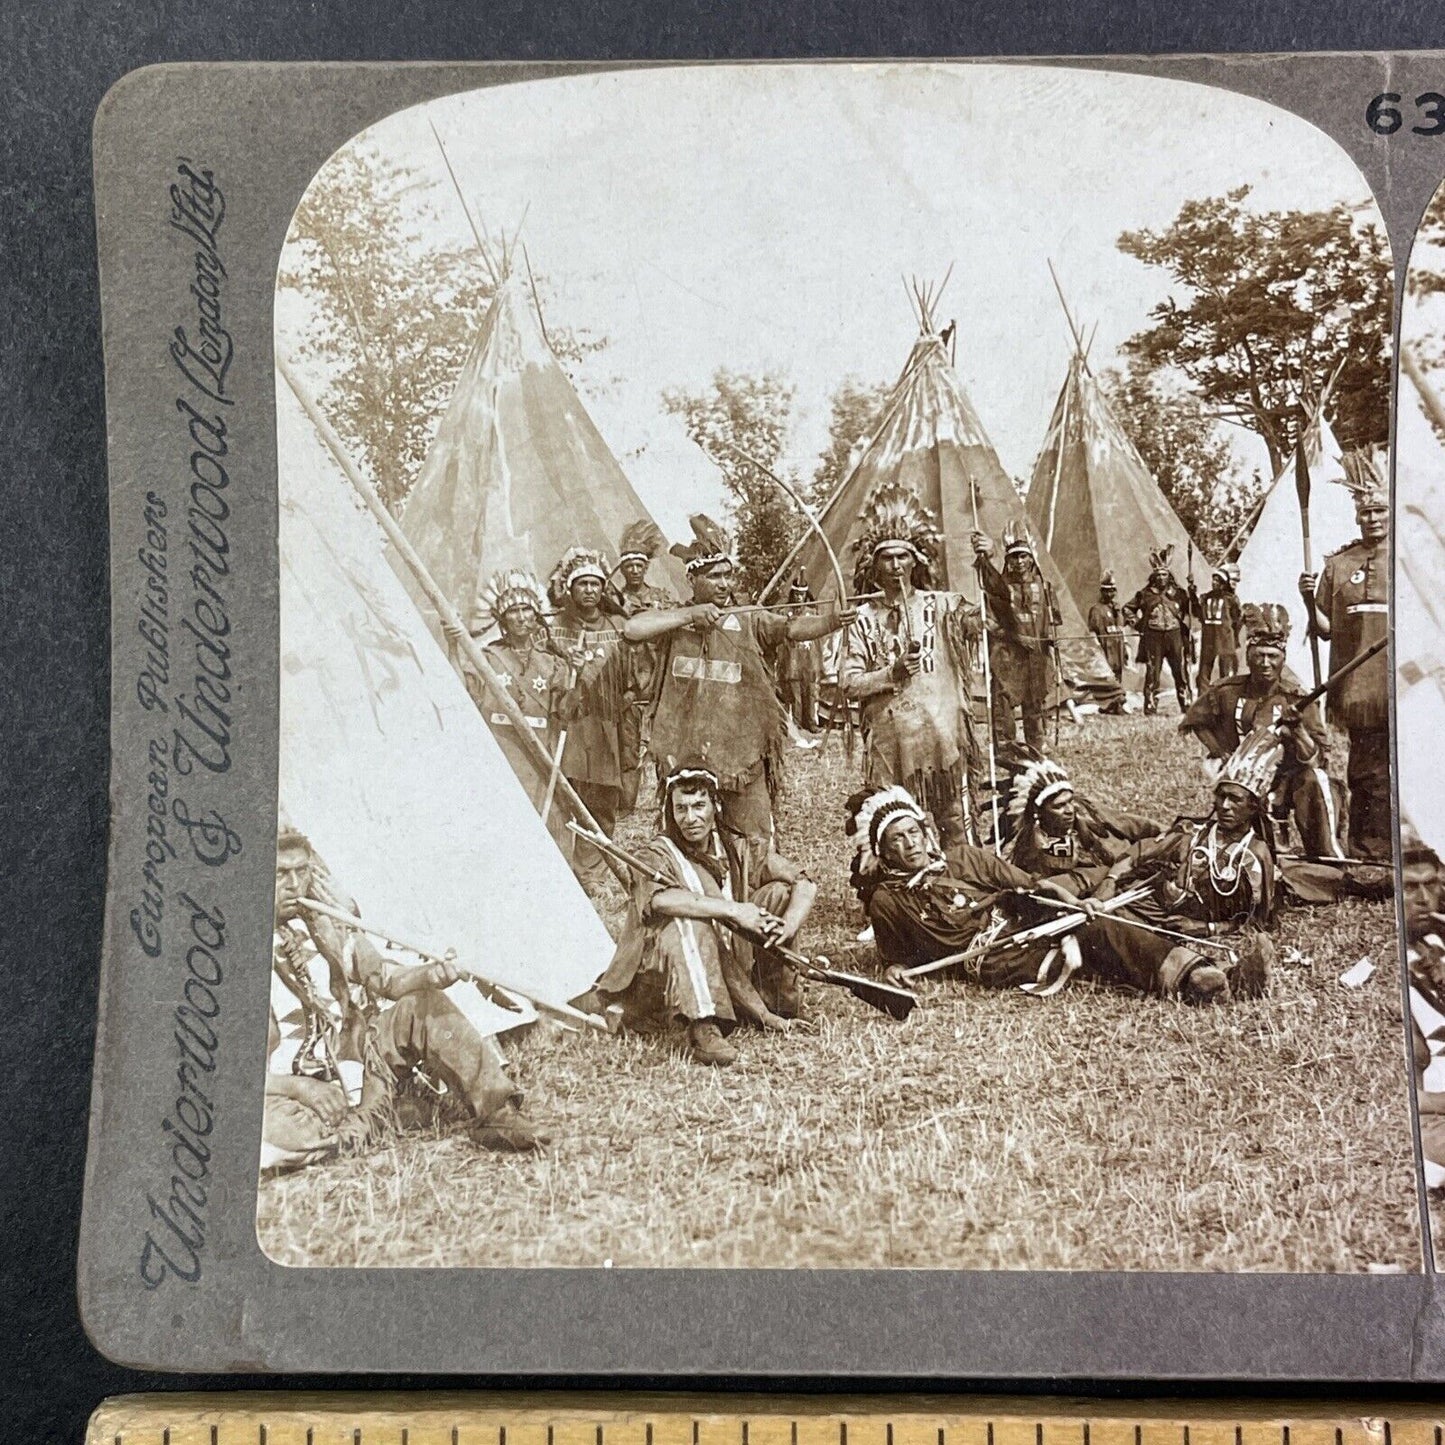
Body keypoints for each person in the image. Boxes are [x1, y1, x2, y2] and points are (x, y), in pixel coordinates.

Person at [267, 827, 548, 1161]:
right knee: (271, 1131)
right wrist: (299, 1087)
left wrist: (430, 974)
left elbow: (384, 978)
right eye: (282, 873)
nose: (295, 885)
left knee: (424, 1005)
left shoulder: (322, 925)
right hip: (283, 1087)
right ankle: (376, 1117)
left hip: (352, 1063)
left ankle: (497, 1115)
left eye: (302, 872)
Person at [847, 784, 1228, 1003]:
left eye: (914, 832)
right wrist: (894, 970)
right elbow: (897, 956)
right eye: (897, 838)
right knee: (1085, 952)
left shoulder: (963, 858)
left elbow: (1032, 886)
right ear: (882, 851)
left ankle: (1198, 971)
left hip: (1021, 918)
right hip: (993, 957)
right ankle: (1191, 984)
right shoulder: (887, 899)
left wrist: (1076, 904)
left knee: (1096, 925)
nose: (910, 844)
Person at [624, 515, 853, 846]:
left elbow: (791, 627)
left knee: (752, 841)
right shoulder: (674, 620)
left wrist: (831, 621)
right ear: (694, 580)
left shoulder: (749, 619)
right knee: (689, 843)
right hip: (685, 759)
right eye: (714, 576)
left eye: (727, 575)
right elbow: (632, 629)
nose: (723, 584)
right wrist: (690, 615)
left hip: (739, 754)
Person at [589, 759, 818, 1065]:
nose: (690, 818)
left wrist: (787, 926)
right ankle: (703, 1027)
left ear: (716, 807)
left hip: (719, 963)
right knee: (686, 918)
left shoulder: (736, 848)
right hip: (658, 981)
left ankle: (772, 1001)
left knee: (778, 893)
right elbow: (660, 901)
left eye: (699, 806)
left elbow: (804, 882)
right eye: (681, 808)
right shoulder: (658, 853)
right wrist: (734, 910)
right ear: (669, 812)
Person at [840, 482, 984, 846]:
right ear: (873, 564)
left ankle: (962, 888)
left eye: (902, 557)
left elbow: (990, 621)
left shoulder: (945, 605)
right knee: (899, 831)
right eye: (886, 558)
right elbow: (848, 682)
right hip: (892, 746)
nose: (895, 566)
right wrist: (893, 674)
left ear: (916, 561)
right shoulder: (861, 618)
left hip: (943, 740)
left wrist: (991, 566)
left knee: (955, 826)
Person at [1178, 602, 1344, 859]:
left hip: (1287, 782)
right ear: (1248, 656)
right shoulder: (1227, 691)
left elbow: (1319, 757)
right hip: (1241, 783)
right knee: (1244, 854)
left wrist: (1298, 730)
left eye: (1273, 656)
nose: (1266, 663)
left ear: (1283, 660)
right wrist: (1220, 751)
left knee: (1316, 780)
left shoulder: (1297, 697)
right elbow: (1195, 721)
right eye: (1259, 655)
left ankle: (1327, 857)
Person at [1298, 473, 1391, 859]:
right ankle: (1369, 848)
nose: (1372, 518)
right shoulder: (1338, 564)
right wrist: (1307, 600)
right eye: (1365, 511)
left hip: (1403, 684)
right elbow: (1325, 631)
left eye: (1379, 510)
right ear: (1356, 517)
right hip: (1360, 690)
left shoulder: (1408, 555)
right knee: (1366, 773)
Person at [444, 570, 572, 846]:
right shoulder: (488, 657)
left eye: (526, 609)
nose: (521, 617)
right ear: (503, 618)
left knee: (545, 818)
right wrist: (453, 647)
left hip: (539, 754)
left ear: (536, 614)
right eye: (513, 611)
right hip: (501, 751)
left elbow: (567, 711)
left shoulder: (553, 663)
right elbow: (460, 692)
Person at [548, 546, 629, 893]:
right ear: (570, 588)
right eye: (582, 584)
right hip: (571, 724)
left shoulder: (618, 626)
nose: (590, 591)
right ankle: (563, 867)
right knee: (569, 796)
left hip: (608, 724)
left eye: (596, 584)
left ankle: (593, 872)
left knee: (602, 800)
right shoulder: (554, 629)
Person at [970, 523, 1060, 751]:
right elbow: (992, 623)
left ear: (1031, 559)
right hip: (1008, 657)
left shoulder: (1045, 588)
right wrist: (1017, 638)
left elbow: (1052, 622)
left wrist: (1050, 638)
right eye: (1013, 558)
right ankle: (1005, 746)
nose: (1019, 562)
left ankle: (1037, 743)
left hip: (1036, 656)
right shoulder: (1001, 589)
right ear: (1007, 561)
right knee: (1003, 702)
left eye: (1023, 557)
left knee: (1035, 700)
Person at [1002, 753, 1162, 878]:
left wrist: (1169, 834)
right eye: (1059, 806)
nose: (1069, 810)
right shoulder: (1032, 848)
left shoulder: (1090, 813)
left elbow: (1131, 824)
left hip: (1140, 859)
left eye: (1070, 801)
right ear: (1039, 812)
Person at [614, 520, 678, 814]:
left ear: (646, 567)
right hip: (626, 684)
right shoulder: (613, 600)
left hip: (658, 682)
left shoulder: (661, 599)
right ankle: (626, 806)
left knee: (664, 747)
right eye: (629, 566)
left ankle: (670, 802)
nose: (635, 570)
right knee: (628, 750)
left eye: (640, 565)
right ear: (623, 569)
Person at [1403, 829, 1445, 1190]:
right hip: (1428, 1125)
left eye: (1431, 885)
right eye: (1409, 887)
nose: (1423, 899)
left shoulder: (1436, 945)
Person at [1124, 545, 1193, 716]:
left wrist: (1192, 592)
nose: (1162, 578)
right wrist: (1138, 624)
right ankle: (1150, 707)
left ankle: (1186, 704)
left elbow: (1193, 608)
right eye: (1159, 575)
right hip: (1153, 636)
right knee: (1153, 672)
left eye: (1164, 575)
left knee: (1180, 671)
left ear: (1169, 576)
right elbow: (1127, 609)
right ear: (1154, 576)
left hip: (1174, 635)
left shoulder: (1179, 593)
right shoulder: (1146, 594)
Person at [776, 569, 823, 733]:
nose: (798, 598)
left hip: (809, 660)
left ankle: (811, 723)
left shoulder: (812, 613)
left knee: (810, 692)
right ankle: (796, 724)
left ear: (805, 596)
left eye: (801, 595)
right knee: (795, 694)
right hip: (793, 660)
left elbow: (818, 641)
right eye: (796, 595)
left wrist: (819, 663)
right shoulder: (785, 613)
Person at [1193, 564, 1243, 690]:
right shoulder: (1206, 598)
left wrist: (1234, 636)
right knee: (1204, 670)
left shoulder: (1230, 599)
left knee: (1226, 670)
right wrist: (1192, 596)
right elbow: (1197, 613)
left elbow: (1236, 619)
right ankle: (1202, 698)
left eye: (1217, 580)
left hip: (1224, 638)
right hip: (1211, 638)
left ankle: (1225, 698)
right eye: (1213, 580)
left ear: (1223, 583)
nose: (1214, 583)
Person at [1086, 572, 1130, 713]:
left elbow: (1122, 628)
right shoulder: (1097, 610)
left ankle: (1115, 704)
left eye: (1112, 590)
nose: (1110, 594)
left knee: (1118, 673)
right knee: (1109, 676)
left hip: (1118, 646)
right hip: (1106, 647)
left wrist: (1126, 646)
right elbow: (1093, 631)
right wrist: (1097, 650)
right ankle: (1113, 703)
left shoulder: (1117, 609)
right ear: (1101, 592)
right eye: (1106, 590)